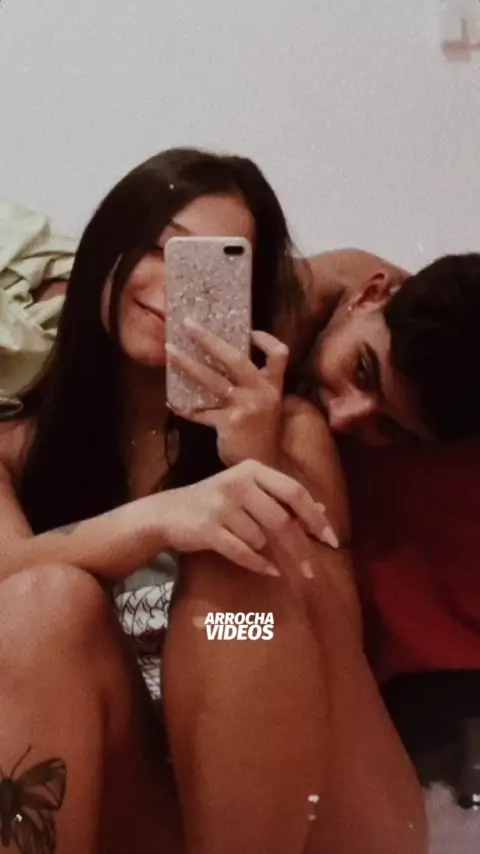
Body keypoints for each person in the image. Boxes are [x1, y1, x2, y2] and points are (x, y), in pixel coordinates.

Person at [0, 148, 427, 854]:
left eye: (209, 270)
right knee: (42, 600)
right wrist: (155, 519)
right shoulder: (17, 441)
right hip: (137, 791)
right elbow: (9, 577)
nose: (173, 288)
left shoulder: (290, 427)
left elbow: (327, 629)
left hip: (302, 786)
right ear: (107, 246)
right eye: (161, 249)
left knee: (237, 588)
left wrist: (255, 460)